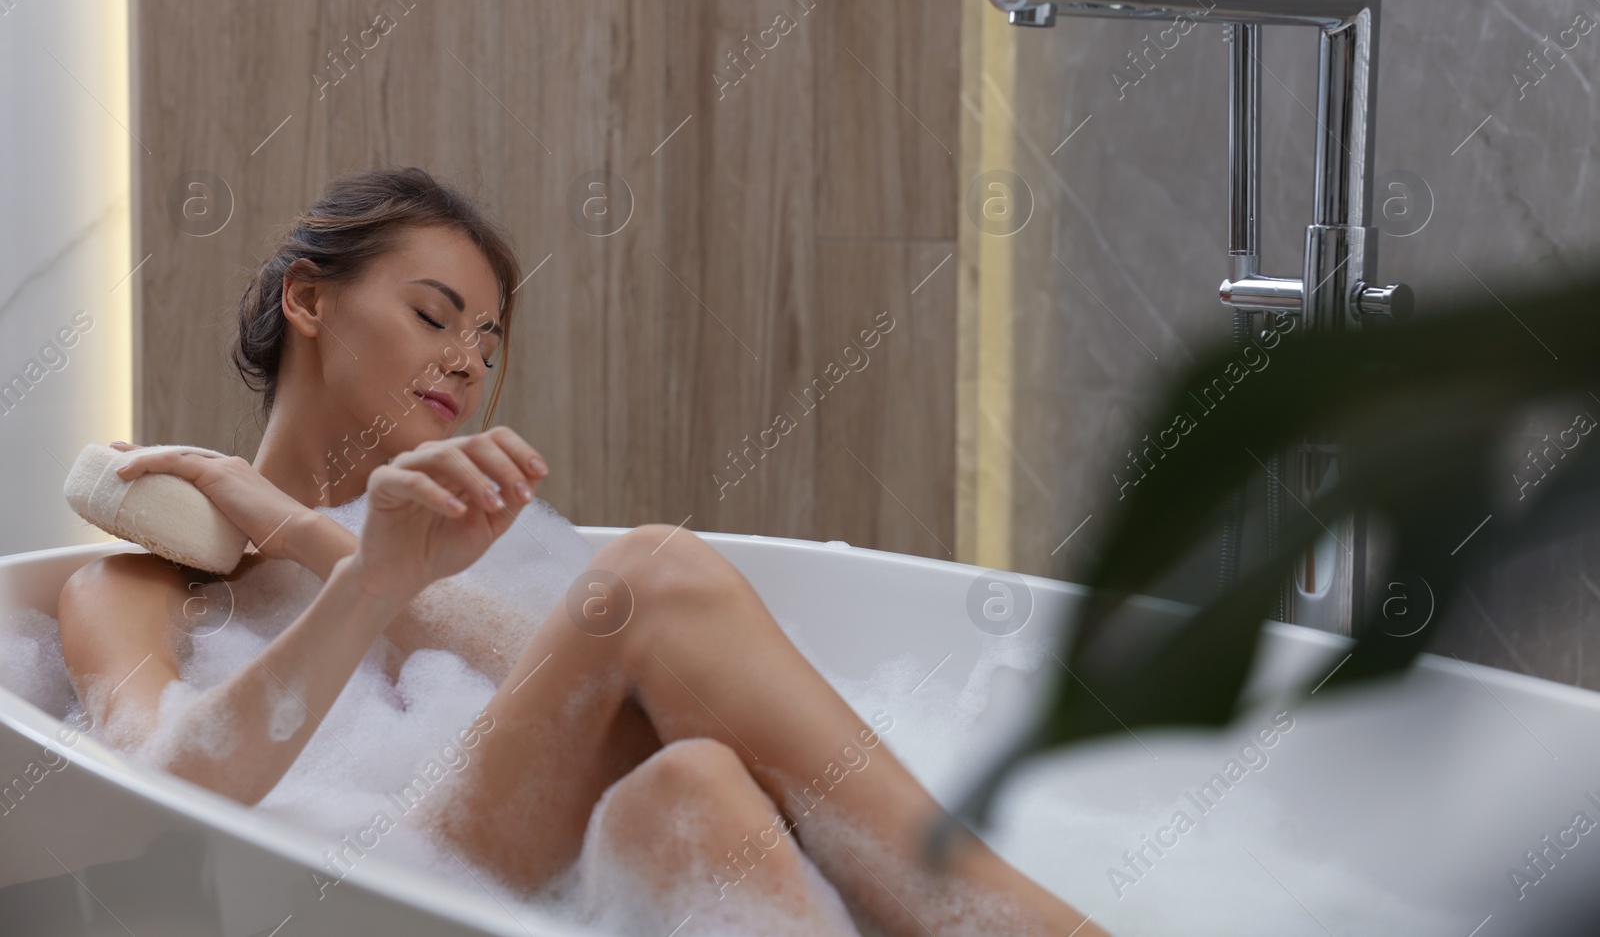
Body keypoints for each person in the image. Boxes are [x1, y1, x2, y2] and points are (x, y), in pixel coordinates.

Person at [56, 166, 1108, 936]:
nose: (466, 361)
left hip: (520, 874)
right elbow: (171, 781)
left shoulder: (479, 556)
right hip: (355, 886)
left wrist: (312, 537)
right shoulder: (133, 584)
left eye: (489, 341)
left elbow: (602, 707)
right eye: (434, 314)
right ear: (309, 298)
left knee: (687, 790)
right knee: (652, 572)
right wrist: (353, 567)